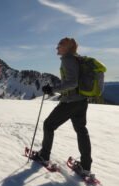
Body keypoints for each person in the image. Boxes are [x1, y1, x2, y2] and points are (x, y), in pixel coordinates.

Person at [33, 37, 92, 176]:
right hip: (82, 101)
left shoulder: (68, 59)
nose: (57, 47)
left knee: (48, 125)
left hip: (71, 101)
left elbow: (72, 82)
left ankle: (44, 156)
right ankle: (85, 166)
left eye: (59, 45)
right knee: (81, 130)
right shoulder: (77, 59)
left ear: (67, 47)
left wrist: (53, 89)